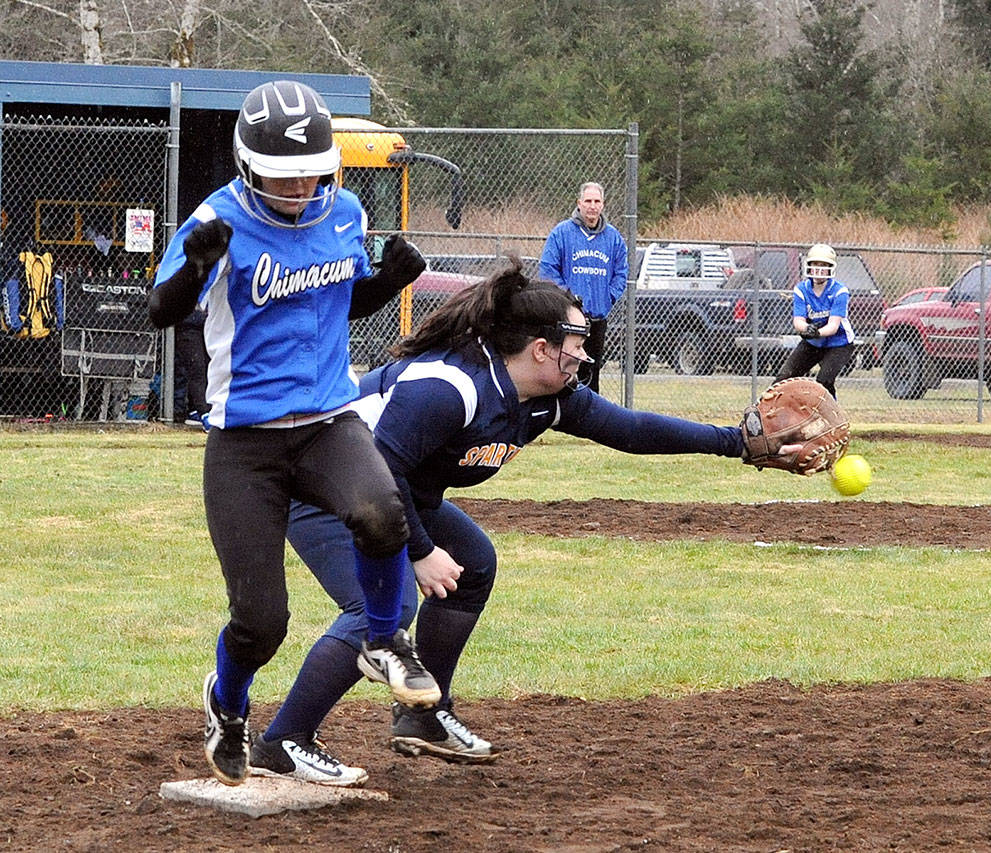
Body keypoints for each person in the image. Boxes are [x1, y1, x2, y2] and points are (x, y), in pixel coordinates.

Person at [251, 261, 776, 785]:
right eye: (573, 341)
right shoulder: (449, 386)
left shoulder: (542, 398)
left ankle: (423, 715)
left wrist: (735, 442)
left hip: (394, 492)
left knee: (474, 563)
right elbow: (380, 470)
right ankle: (282, 741)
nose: (581, 353)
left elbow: (631, 429)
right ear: (540, 348)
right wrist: (419, 550)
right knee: (381, 607)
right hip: (325, 487)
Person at [147, 80, 441, 787]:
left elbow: (338, 302)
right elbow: (160, 311)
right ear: (249, 169)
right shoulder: (218, 218)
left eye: (311, 170)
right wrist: (196, 265)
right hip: (245, 439)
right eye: (283, 176)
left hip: (326, 420)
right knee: (261, 622)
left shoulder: (342, 210)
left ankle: (383, 639)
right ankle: (228, 704)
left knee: (381, 512)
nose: (300, 185)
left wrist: (388, 282)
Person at [538, 181, 628, 392]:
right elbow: (548, 270)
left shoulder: (613, 238)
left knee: (591, 375)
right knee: (564, 374)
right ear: (579, 203)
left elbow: (621, 273)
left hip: (596, 320)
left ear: (603, 205)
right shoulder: (562, 233)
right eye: (588, 201)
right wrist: (568, 302)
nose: (592, 206)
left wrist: (608, 298)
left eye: (597, 201)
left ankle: (588, 419)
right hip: (569, 322)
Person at [773, 243, 856, 398]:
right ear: (808, 266)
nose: (819, 269)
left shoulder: (839, 291)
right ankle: (766, 416)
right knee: (784, 378)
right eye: (815, 264)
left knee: (824, 380)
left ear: (831, 268)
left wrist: (816, 332)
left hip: (839, 343)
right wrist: (806, 329)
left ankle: (831, 416)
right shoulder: (801, 289)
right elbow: (798, 321)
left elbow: (833, 326)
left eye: (824, 265)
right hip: (813, 342)